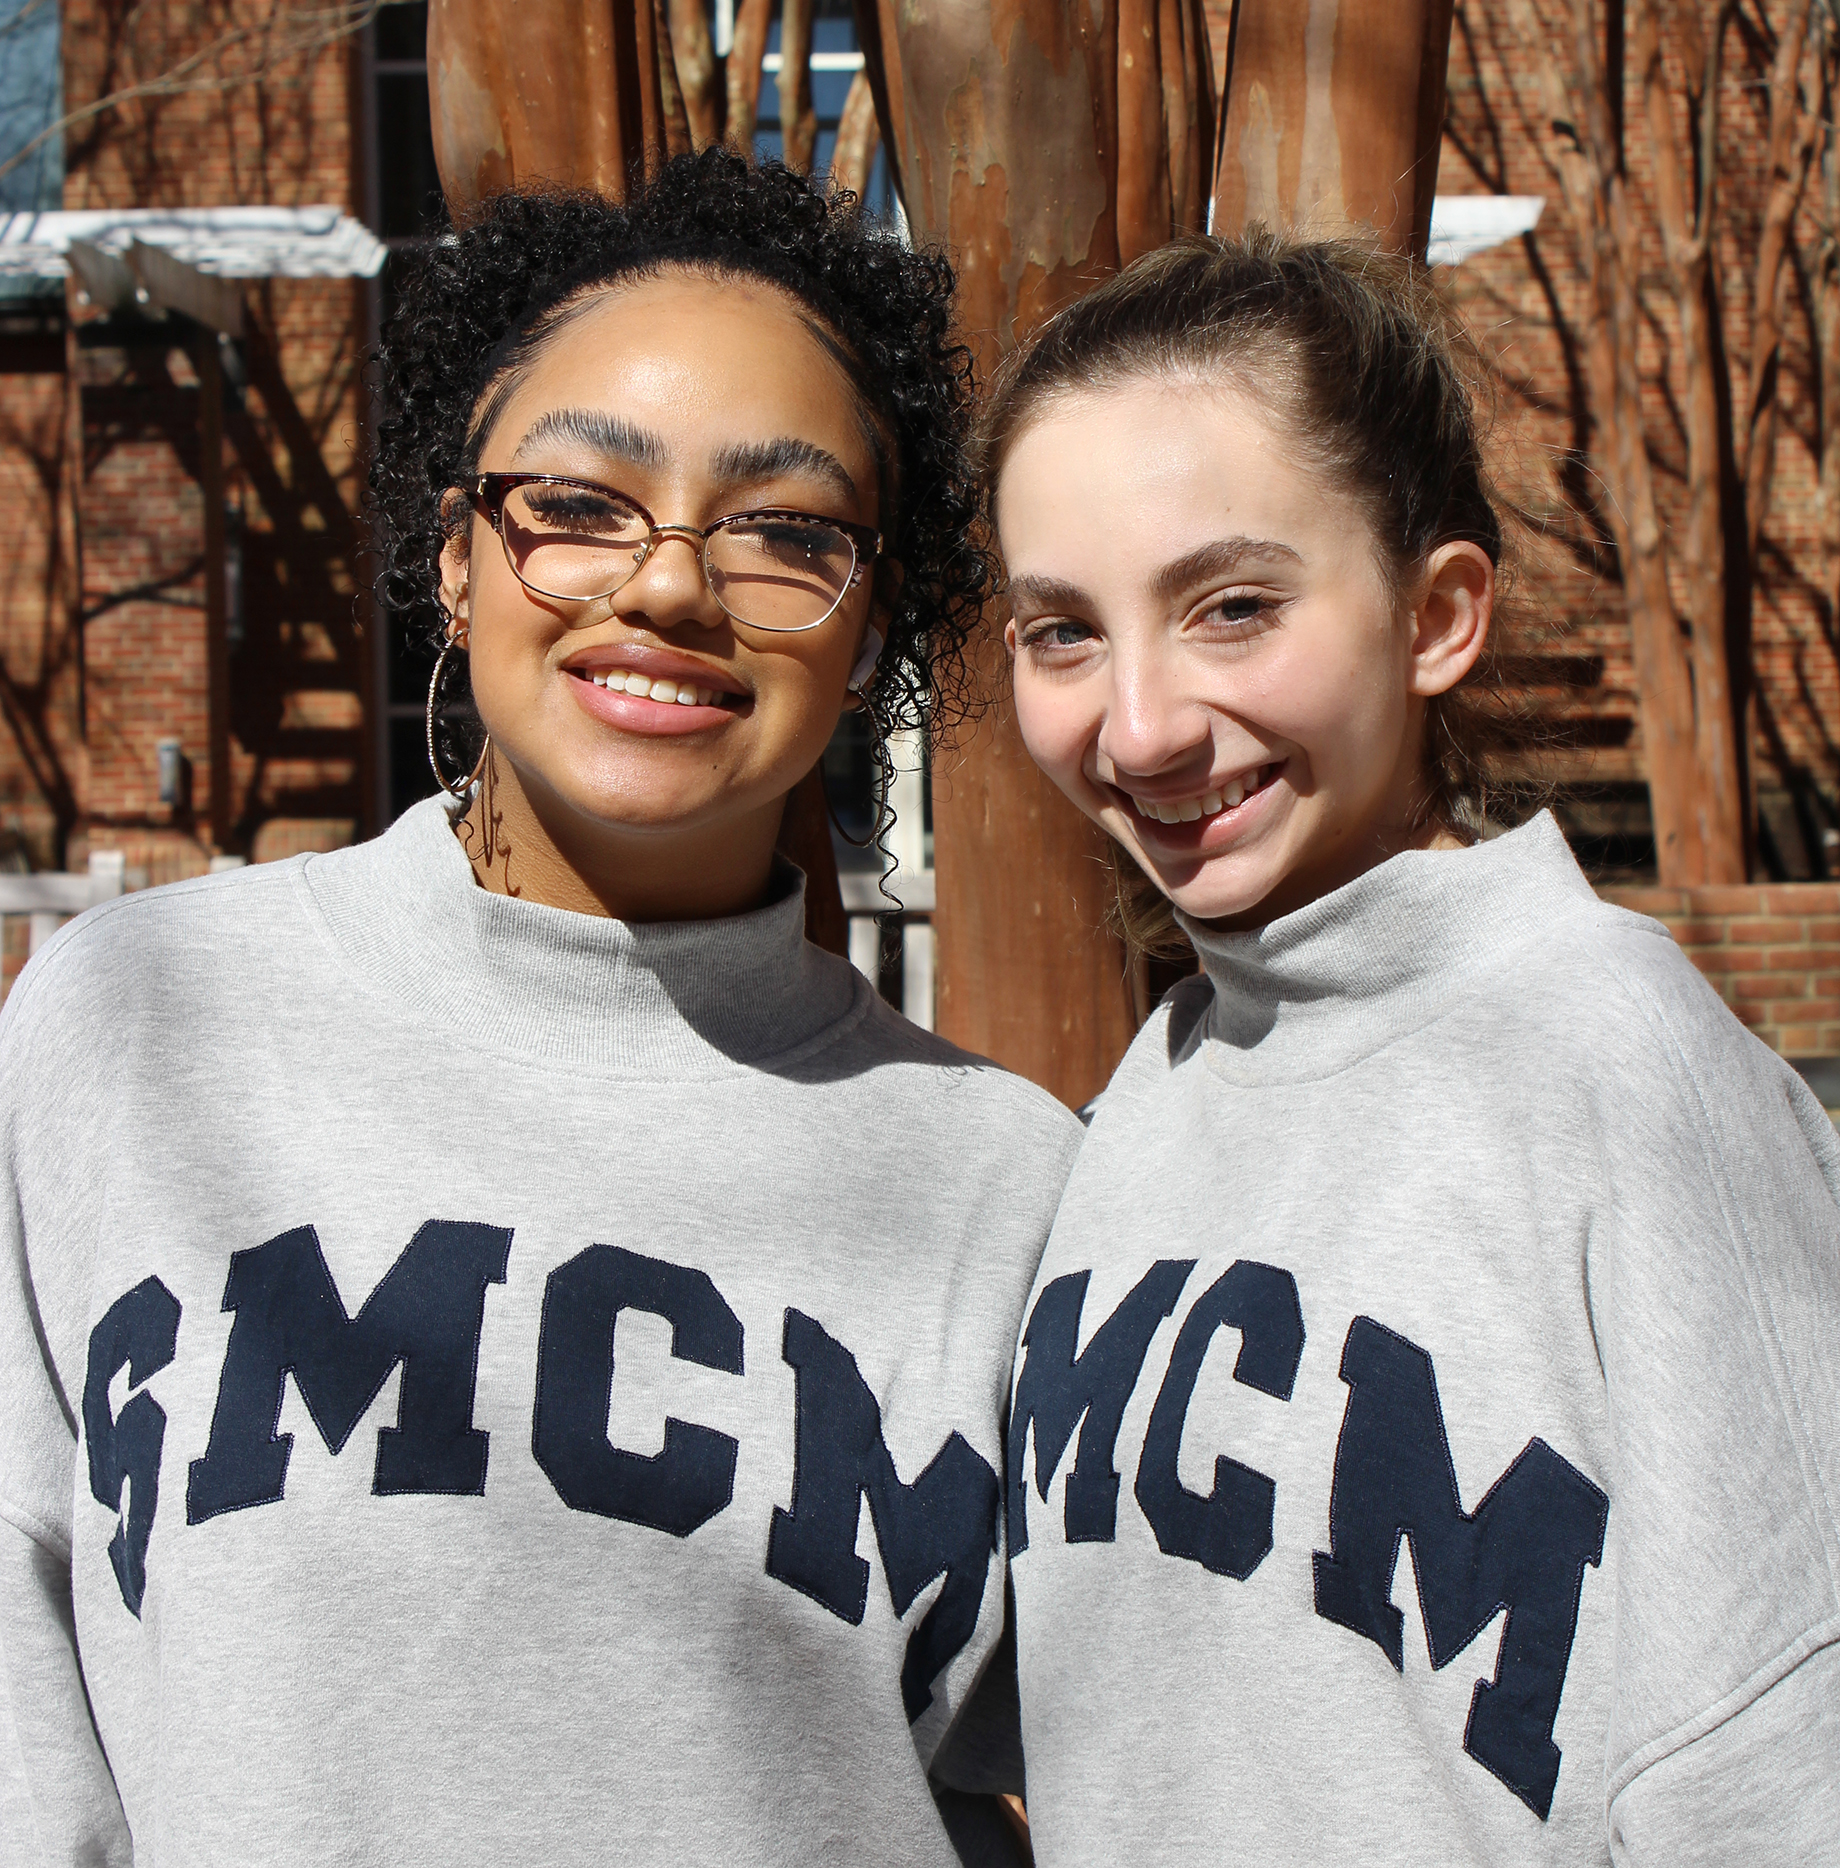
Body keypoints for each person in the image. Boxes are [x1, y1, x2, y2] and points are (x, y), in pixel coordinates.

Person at [0, 152, 1078, 1866]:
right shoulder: (129, 1024)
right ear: (457, 555)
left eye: (786, 531)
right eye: (578, 504)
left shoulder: (1012, 1190)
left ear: (873, 627)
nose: (665, 585)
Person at [982, 232, 1840, 1866]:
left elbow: (1781, 1769)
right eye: (1063, 633)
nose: (1143, 725)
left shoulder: (1621, 1065)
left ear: (1437, 614)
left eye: (1233, 607)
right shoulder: (1151, 1099)